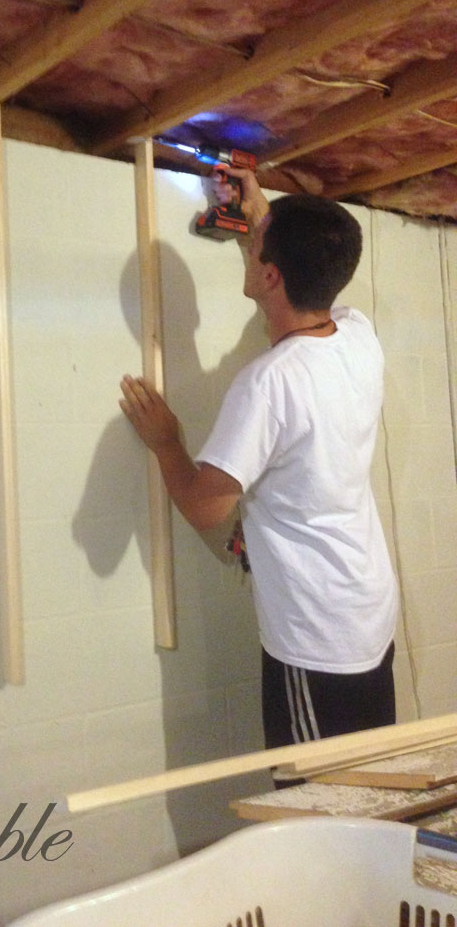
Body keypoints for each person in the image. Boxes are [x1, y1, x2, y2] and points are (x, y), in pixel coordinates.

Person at [119, 167, 398, 751]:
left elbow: (204, 507)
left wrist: (168, 441)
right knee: (371, 793)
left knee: (313, 808)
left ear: (269, 274)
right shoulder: (357, 336)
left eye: (259, 244)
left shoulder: (269, 385)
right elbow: (299, 286)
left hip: (316, 637)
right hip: (367, 612)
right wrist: (260, 223)